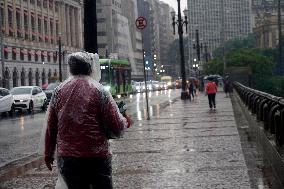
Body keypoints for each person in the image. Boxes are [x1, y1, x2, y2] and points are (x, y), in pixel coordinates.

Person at [43, 52, 132, 189]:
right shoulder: (99, 90)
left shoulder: (59, 91)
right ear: (90, 68)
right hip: (97, 158)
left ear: (71, 68)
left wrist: (48, 153)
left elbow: (51, 127)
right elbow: (117, 126)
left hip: (68, 159)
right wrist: (126, 119)